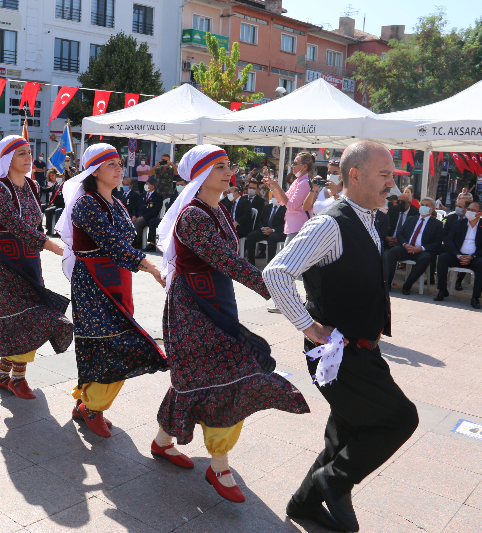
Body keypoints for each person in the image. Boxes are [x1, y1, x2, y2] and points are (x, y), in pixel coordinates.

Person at [263, 140, 418, 533]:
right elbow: (276, 273)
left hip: (362, 350)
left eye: (392, 176)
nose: (391, 184)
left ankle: (304, 503)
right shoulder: (329, 223)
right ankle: (332, 481)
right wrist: (309, 326)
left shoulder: (368, 218)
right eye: (384, 175)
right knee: (399, 419)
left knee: (346, 432)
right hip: (337, 354)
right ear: (355, 175)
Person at [153, 145, 308, 502]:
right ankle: (219, 465)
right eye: (219, 167)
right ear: (199, 175)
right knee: (223, 378)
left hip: (216, 301)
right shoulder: (193, 215)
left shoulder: (218, 208)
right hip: (193, 309)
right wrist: (275, 290)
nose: (229, 172)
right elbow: (227, 260)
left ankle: (162, 441)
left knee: (193, 378)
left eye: (228, 166)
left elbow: (229, 260)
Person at [55, 143, 168, 438]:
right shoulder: (86, 204)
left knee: (112, 339)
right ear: (94, 171)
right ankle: (93, 407)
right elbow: (113, 244)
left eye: (119, 164)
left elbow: (123, 243)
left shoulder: (115, 202)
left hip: (117, 279)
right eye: (111, 165)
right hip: (93, 282)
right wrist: (151, 267)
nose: (119, 169)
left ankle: (86, 402)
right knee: (109, 342)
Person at [0, 135, 74, 399]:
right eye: (21, 153)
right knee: (21, 316)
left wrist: (43, 239)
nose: (27, 157)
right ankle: (18, 379)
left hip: (29, 258)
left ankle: (3, 375)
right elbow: (14, 224)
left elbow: (36, 221)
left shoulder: (32, 185)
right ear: (8, 158)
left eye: (29, 151)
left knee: (30, 313)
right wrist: (50, 245)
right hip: (3, 260)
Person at [434, 201, 482, 309]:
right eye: (468, 209)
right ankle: (442, 291)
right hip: (458, 255)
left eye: (472, 210)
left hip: (475, 257)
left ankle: (475, 297)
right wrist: (458, 255)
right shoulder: (459, 224)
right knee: (443, 258)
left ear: (479, 213)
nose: (469, 212)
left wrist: (472, 256)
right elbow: (450, 241)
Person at [386, 197, 444, 294]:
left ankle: (407, 286)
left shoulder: (437, 224)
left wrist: (421, 248)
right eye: (422, 205)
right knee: (392, 252)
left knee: (425, 259)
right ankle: (387, 285)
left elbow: (437, 243)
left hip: (422, 251)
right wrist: (405, 244)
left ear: (433, 209)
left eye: (427, 205)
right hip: (406, 248)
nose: (424, 207)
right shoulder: (411, 219)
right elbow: (400, 234)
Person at [263, 152, 315, 246]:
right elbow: (282, 201)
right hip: (292, 227)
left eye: (295, 163)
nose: (292, 166)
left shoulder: (304, 183)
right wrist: (272, 187)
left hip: (299, 227)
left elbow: (290, 206)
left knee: (290, 259)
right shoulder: (297, 182)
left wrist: (278, 187)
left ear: (304, 166)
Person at [144, 177, 187, 251]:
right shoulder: (174, 196)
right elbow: (169, 209)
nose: (179, 187)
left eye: (181, 185)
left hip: (182, 219)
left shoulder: (189, 196)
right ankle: (152, 244)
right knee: (153, 221)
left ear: (186, 185)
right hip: (171, 219)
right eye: (177, 185)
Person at [245, 198, 286, 265]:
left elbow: (285, 224)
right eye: (273, 196)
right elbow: (260, 220)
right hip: (265, 230)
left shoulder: (285, 208)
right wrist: (262, 228)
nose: (275, 198)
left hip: (277, 231)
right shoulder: (267, 207)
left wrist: (273, 230)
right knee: (251, 236)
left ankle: (270, 263)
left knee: (272, 238)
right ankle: (251, 262)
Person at [132, 176, 163, 248]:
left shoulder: (158, 197)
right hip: (138, 216)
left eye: (147, 183)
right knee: (127, 221)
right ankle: (133, 240)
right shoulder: (142, 195)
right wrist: (133, 215)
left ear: (152, 186)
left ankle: (139, 242)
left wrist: (143, 217)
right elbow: (135, 206)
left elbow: (155, 210)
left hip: (148, 218)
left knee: (138, 224)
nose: (145, 185)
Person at [43, 171, 66, 235]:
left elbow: (63, 199)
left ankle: (57, 231)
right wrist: (37, 186)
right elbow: (46, 190)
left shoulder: (66, 185)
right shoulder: (56, 184)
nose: (58, 178)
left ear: (64, 177)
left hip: (62, 205)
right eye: (57, 176)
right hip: (54, 204)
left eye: (60, 176)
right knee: (40, 206)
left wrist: (52, 204)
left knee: (50, 211)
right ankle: (45, 229)